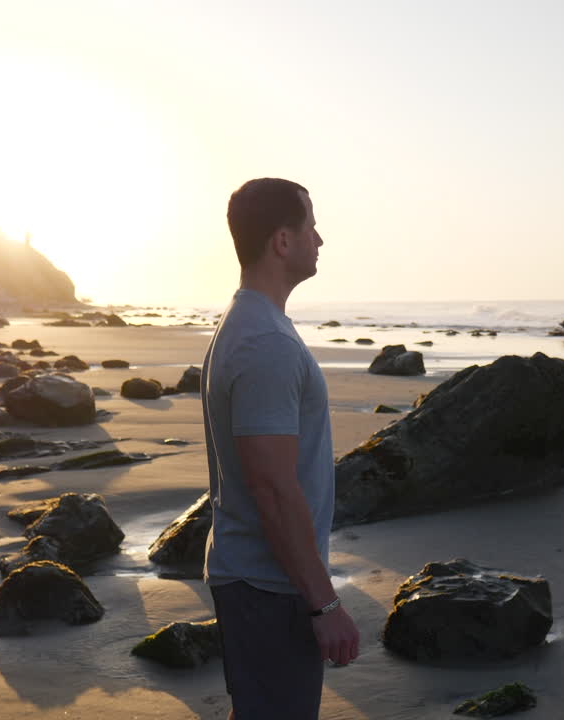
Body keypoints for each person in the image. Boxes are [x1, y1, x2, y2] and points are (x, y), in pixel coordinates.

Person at [201, 178, 360, 719]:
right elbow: (271, 486)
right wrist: (325, 603)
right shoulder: (266, 341)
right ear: (282, 241)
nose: (321, 238)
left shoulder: (247, 322)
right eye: (310, 225)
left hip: (256, 578)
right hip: (269, 586)